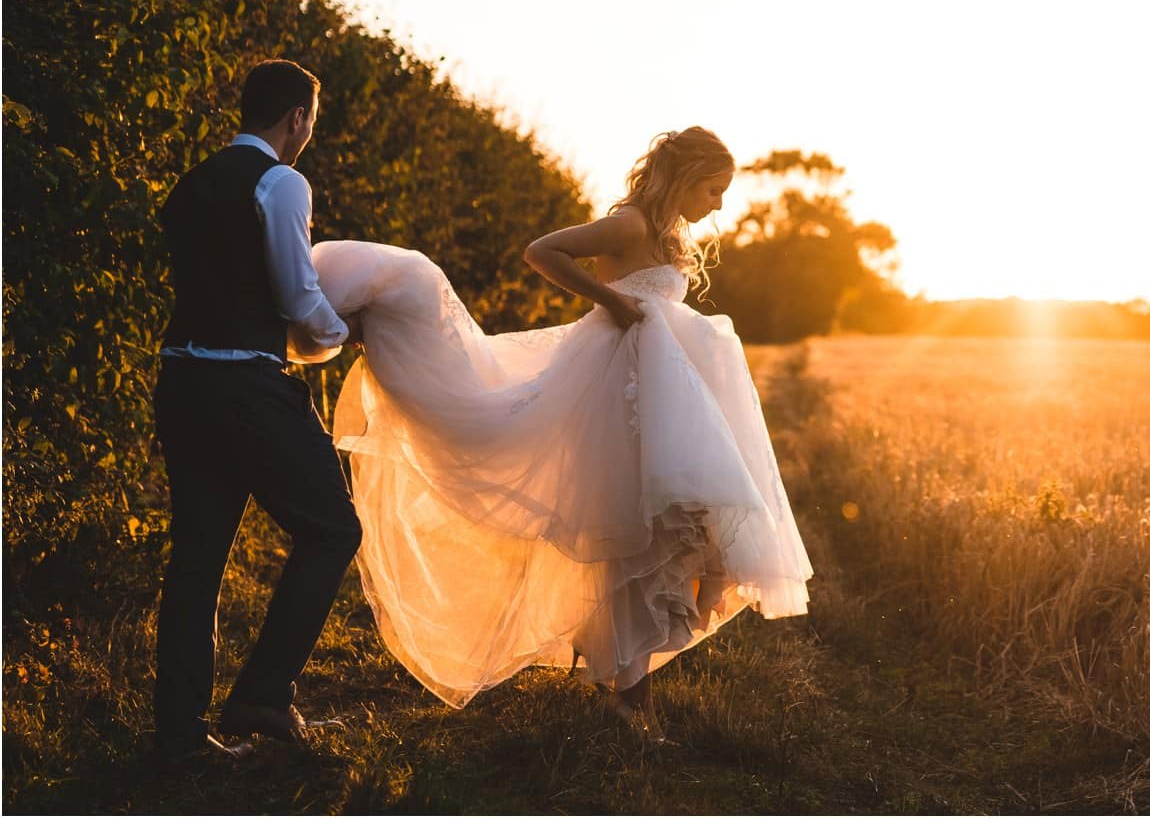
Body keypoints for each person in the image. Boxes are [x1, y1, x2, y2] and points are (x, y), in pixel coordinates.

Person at [297, 126, 813, 732]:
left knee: (681, 525)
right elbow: (542, 251)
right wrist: (610, 299)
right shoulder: (630, 225)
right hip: (614, 387)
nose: (718, 205)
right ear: (685, 175)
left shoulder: (668, 232)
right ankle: (627, 694)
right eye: (713, 189)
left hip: (660, 392)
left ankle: (628, 681)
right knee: (630, 532)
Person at [150, 58, 364, 767]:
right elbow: (299, 296)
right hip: (247, 386)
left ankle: (181, 737)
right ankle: (264, 696)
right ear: (296, 118)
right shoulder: (282, 181)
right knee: (334, 528)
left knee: (197, 560)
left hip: (181, 381)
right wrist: (342, 332)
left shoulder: (190, 184)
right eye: (310, 122)